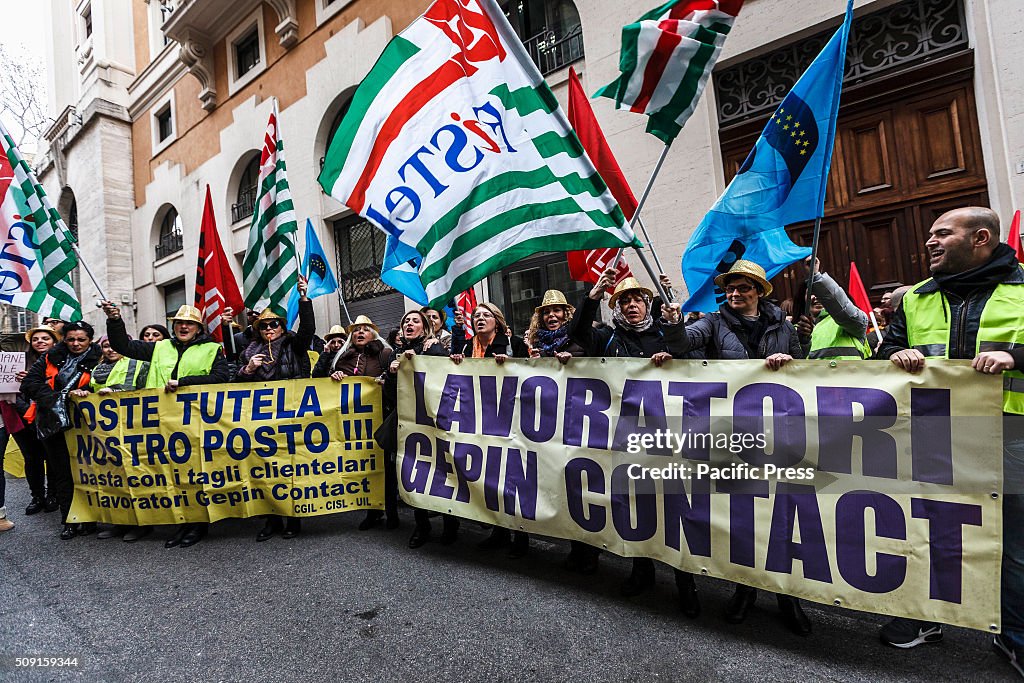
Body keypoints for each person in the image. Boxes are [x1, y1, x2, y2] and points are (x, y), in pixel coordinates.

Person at [874, 207, 1024, 676]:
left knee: (1015, 543)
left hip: (1011, 436)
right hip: (935, 433)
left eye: (943, 233)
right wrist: (896, 352)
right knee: (931, 527)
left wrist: (1015, 355)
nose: (930, 242)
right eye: (930, 235)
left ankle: (1015, 635)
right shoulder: (916, 298)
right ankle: (928, 618)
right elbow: (882, 352)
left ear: (981, 238)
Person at [672, 260, 809, 632]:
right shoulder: (714, 323)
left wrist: (789, 362)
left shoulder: (783, 325)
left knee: (781, 513)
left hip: (780, 432)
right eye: (730, 288)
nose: (734, 294)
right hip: (733, 434)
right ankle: (745, 589)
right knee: (745, 515)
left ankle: (787, 596)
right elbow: (685, 342)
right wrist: (672, 322)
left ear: (758, 291)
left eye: (742, 288)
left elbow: (806, 370)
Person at [570, 269, 701, 618]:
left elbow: (687, 358)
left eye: (636, 301)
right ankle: (642, 570)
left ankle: (685, 582)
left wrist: (673, 344)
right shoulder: (608, 340)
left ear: (647, 305)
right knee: (638, 508)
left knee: (674, 510)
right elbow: (577, 333)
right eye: (624, 301)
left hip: (670, 438)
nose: (631, 306)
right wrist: (593, 295)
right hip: (628, 440)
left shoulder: (665, 334)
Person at [102, 301, 230, 548]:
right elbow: (122, 346)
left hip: (195, 420)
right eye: (179, 323)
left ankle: (197, 525)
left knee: (195, 473)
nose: (183, 327)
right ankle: (182, 523)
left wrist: (184, 382)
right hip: (162, 421)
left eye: (189, 324)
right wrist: (115, 320)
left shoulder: (213, 349)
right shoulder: (159, 347)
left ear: (198, 328)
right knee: (172, 473)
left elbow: (221, 377)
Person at [525, 290, 599, 573]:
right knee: (562, 487)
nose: (551, 316)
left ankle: (590, 551)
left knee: (583, 489)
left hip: (580, 426)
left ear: (567, 314)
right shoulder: (535, 344)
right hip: (549, 428)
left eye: (557, 311)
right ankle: (574, 547)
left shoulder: (580, 337)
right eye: (546, 312)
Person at [237, 278, 314, 542]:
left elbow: (308, 329)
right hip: (260, 421)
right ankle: (271, 519)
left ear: (282, 327)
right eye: (265, 325)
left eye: (274, 324)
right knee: (264, 468)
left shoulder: (294, 345)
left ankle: (293, 518)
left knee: (290, 467)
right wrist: (248, 370)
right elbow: (235, 384)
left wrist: (304, 298)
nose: (270, 328)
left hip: (290, 416)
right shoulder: (249, 351)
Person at [451, 302, 531, 556]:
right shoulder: (466, 346)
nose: (480, 319)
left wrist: (511, 363)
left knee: (512, 479)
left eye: (486, 315)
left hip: (508, 419)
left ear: (497, 320)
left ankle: (521, 536)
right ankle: (499, 531)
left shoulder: (513, 343)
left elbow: (531, 372)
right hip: (478, 421)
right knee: (491, 477)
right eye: (476, 316)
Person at [21, 320, 103, 540]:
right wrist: (57, 397)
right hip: (53, 422)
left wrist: (86, 392)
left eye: (81, 340)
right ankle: (69, 519)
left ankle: (90, 518)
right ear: (64, 340)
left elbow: (105, 384)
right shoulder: (51, 357)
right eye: (71, 339)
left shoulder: (101, 357)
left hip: (86, 424)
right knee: (62, 473)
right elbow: (29, 383)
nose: (76, 344)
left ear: (90, 340)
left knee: (87, 472)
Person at [388, 311, 451, 545]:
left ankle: (449, 525)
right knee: (414, 473)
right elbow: (391, 395)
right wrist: (393, 372)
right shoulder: (397, 354)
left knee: (442, 472)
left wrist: (426, 355)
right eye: (406, 321)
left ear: (425, 328)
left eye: (415, 321)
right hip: (410, 425)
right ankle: (421, 526)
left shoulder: (433, 348)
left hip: (435, 423)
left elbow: (448, 380)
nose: (409, 324)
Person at [7, 325, 61, 517]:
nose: (40, 342)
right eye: (36, 339)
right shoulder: (19, 363)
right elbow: (12, 391)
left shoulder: (61, 363)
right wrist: (26, 412)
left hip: (51, 417)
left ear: (54, 342)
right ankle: (37, 496)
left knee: (53, 458)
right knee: (32, 459)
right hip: (24, 419)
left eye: (45, 338)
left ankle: (53, 495)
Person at [795, 258, 870, 360]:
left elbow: (841, 307)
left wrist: (815, 276)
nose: (817, 297)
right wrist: (803, 342)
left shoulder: (852, 322)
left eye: (820, 293)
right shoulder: (795, 330)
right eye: (811, 292)